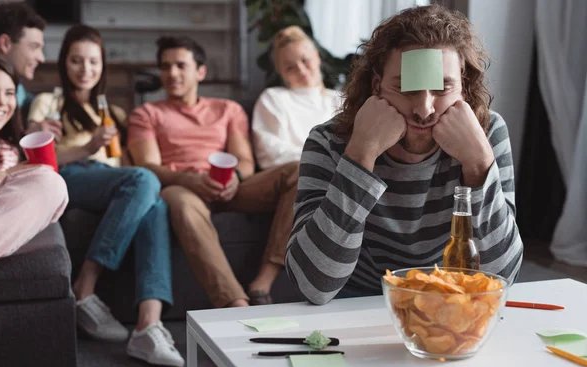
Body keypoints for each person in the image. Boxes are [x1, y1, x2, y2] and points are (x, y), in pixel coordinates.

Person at [285, 5, 524, 305]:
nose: (424, 110)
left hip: (444, 300)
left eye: (442, 87)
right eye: (406, 88)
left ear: (463, 87)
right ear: (377, 86)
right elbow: (313, 286)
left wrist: (478, 164)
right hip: (350, 302)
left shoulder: (486, 134)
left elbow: (502, 278)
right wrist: (361, 155)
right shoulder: (329, 141)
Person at [27, 25, 184, 367]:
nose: (85, 70)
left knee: (153, 202)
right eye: (76, 61)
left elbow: (127, 168)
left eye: (93, 62)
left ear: (103, 66)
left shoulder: (112, 112)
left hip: (112, 183)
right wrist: (86, 145)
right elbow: (39, 162)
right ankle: (86, 284)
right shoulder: (48, 104)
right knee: (144, 181)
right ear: (64, 63)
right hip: (67, 176)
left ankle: (148, 324)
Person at [128, 36, 299, 307]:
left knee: (300, 171)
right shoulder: (146, 114)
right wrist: (189, 179)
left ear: (200, 71)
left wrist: (236, 178)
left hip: (229, 186)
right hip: (181, 187)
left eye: (180, 65)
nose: (172, 73)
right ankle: (234, 303)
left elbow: (244, 159)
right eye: (165, 66)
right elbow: (148, 167)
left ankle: (263, 282)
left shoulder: (228, 110)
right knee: (182, 205)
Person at [0, 53, 68, 263]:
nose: (2, 102)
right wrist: (2, 176)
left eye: (10, 93)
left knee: (50, 183)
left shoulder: (8, 151)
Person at [252, 26, 341, 170]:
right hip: (294, 175)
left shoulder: (339, 99)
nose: (301, 70)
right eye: (290, 68)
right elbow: (270, 155)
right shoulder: (273, 98)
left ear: (317, 57)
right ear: (281, 73)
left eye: (305, 60)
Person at [0, 1, 62, 138]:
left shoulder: (24, 98)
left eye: (9, 93)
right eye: (34, 47)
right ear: (5, 44)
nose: (41, 58)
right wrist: (28, 137)